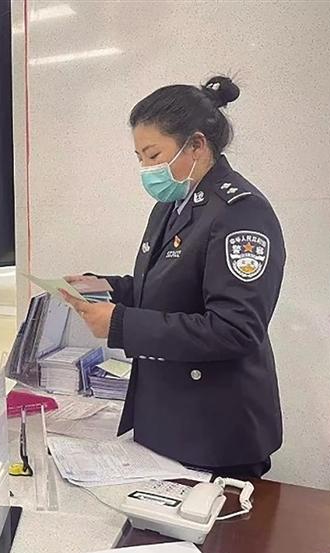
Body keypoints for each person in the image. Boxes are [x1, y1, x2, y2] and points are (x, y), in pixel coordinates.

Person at [62, 76, 286, 479]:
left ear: (196, 145)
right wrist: (103, 287)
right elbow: (161, 288)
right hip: (170, 414)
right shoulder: (173, 205)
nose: (147, 169)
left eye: (153, 155)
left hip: (215, 427)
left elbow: (235, 329)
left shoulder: (240, 212)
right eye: (139, 158)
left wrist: (119, 324)